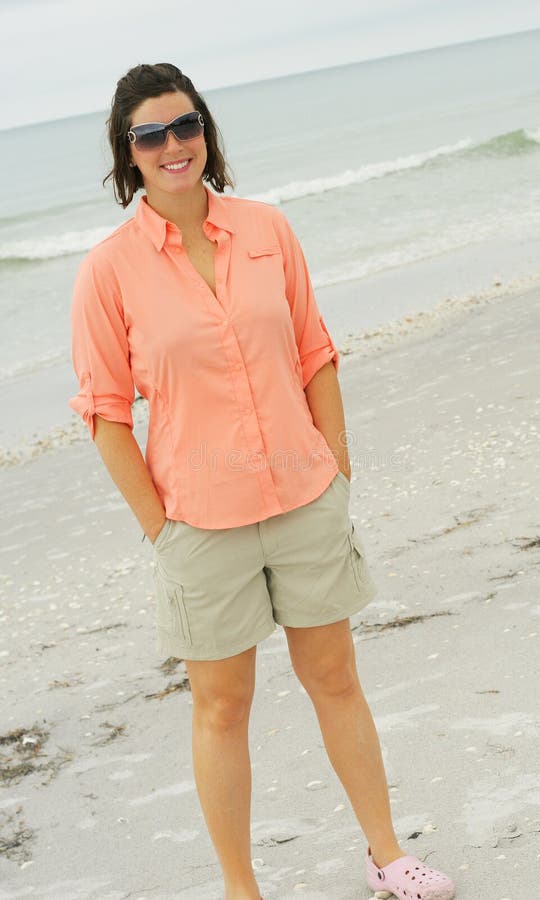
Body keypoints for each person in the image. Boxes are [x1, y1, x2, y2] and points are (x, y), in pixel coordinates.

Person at [68, 62, 456, 900]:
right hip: (200, 524)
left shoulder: (268, 230)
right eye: (151, 134)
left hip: (305, 500)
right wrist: (160, 530)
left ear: (205, 131)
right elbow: (104, 414)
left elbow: (315, 355)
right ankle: (241, 891)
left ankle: (388, 856)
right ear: (127, 152)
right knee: (222, 707)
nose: (174, 146)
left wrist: (337, 470)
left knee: (335, 678)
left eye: (186, 126)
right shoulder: (108, 272)